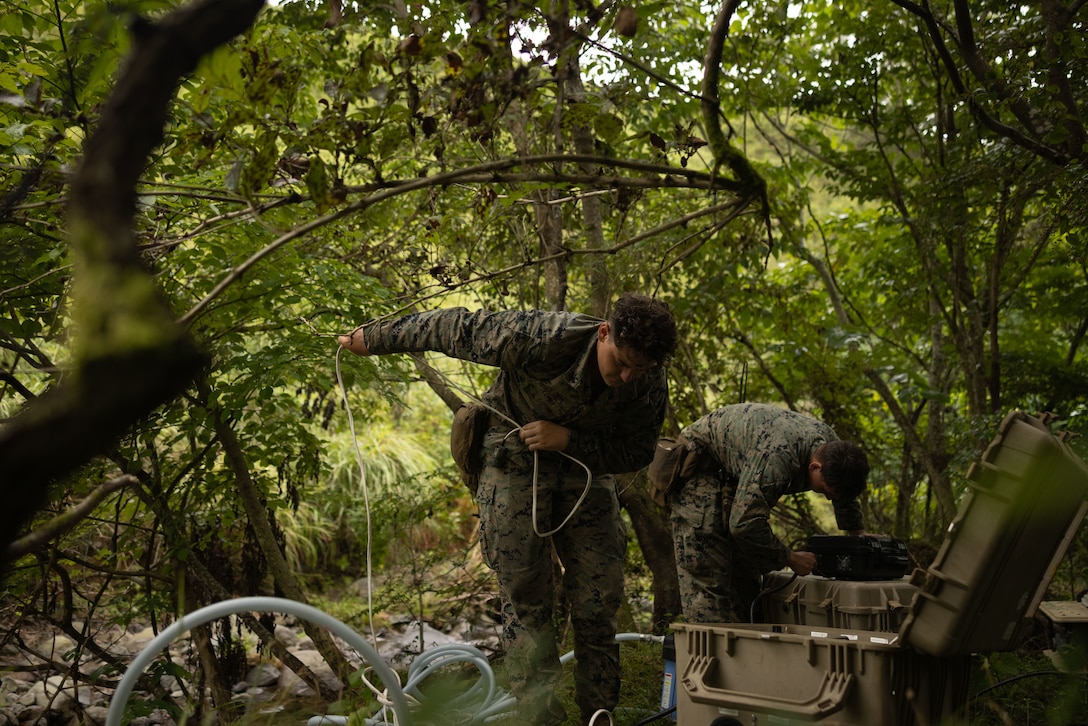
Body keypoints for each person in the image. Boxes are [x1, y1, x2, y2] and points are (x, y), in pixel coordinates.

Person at [338, 293, 678, 726]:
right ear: (603, 333)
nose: (628, 376)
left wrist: (569, 440)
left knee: (599, 597)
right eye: (623, 363)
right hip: (513, 455)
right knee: (525, 596)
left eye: (640, 369)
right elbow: (455, 327)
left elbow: (638, 450)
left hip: (584, 469)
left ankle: (598, 714)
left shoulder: (649, 377)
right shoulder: (544, 337)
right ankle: (539, 716)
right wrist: (374, 338)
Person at [667, 402, 869, 624]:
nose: (829, 498)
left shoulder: (834, 450)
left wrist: (857, 535)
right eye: (826, 491)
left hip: (735, 476)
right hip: (699, 469)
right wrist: (790, 558)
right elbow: (744, 524)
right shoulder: (778, 459)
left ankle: (747, 643)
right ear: (815, 467)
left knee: (746, 580)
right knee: (709, 578)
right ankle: (708, 644)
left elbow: (843, 493)